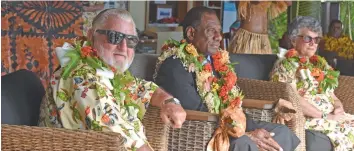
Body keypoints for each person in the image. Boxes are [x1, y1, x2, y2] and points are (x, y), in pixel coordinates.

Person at [38, 9, 186, 151]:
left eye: (131, 40)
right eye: (114, 37)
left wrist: (169, 102)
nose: (123, 47)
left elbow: (143, 89)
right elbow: (118, 135)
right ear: (91, 35)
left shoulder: (109, 72)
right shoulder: (81, 76)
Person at [154, 6, 300, 151]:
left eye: (219, 31)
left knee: (281, 133)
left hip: (231, 122)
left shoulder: (216, 62)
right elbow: (197, 111)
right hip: (206, 128)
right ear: (191, 33)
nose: (219, 37)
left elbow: (231, 102)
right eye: (211, 31)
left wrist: (243, 124)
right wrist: (245, 133)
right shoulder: (175, 64)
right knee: (244, 143)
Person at [270, 16, 354, 151]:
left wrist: (339, 107)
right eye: (307, 38)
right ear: (293, 39)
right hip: (310, 118)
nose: (313, 43)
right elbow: (293, 99)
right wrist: (327, 116)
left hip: (331, 115)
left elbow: (331, 95)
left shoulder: (320, 63)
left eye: (316, 39)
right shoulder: (285, 65)